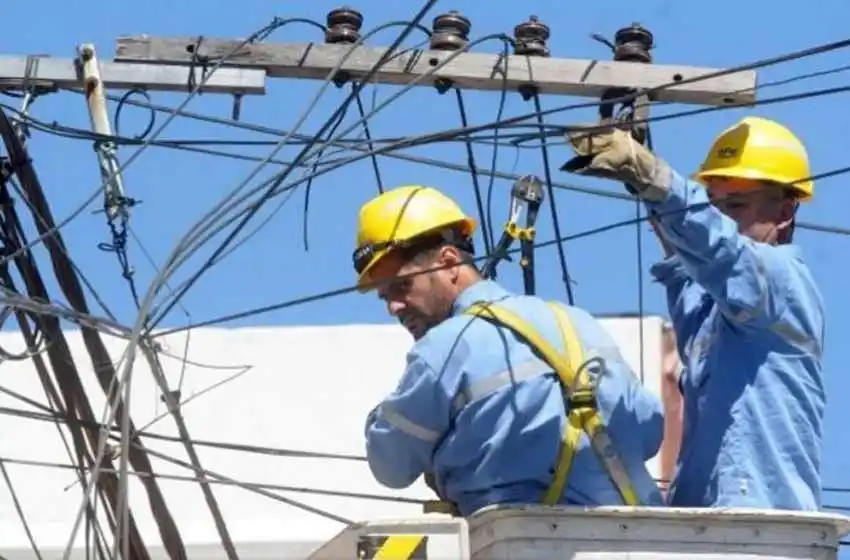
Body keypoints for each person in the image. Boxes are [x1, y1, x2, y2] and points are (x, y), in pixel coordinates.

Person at [561, 116, 824, 510]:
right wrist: (644, 184)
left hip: (764, 520)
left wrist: (652, 175)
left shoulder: (781, 280)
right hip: (707, 518)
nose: (721, 218)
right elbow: (689, 254)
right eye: (714, 206)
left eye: (736, 206)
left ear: (785, 212)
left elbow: (715, 245)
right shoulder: (717, 305)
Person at [353, 184, 664, 516]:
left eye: (402, 286)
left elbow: (391, 465)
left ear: (449, 262)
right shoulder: (577, 322)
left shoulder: (442, 349)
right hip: (645, 534)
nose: (394, 307)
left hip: (520, 538)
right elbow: (648, 428)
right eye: (385, 296)